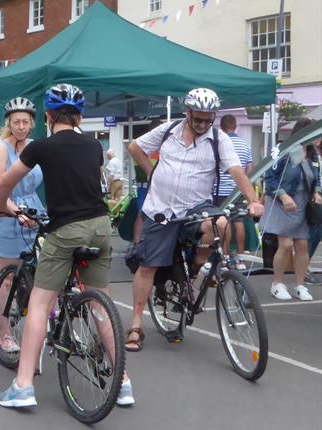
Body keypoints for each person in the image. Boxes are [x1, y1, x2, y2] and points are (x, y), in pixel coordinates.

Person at [0, 84, 133, 408]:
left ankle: (23, 385)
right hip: (100, 228)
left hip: (65, 230)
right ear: (80, 117)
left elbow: (4, 182)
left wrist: (3, 205)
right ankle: (123, 381)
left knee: (41, 303)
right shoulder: (93, 146)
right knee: (100, 304)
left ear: (47, 116)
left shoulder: (40, 147)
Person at [125, 88, 263, 352]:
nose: (202, 124)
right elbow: (135, 146)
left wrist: (253, 200)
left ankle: (195, 273)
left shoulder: (217, 137)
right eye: (197, 118)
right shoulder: (168, 130)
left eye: (207, 119)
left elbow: (236, 170)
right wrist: (151, 170)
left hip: (196, 207)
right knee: (148, 268)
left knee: (221, 224)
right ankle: (135, 325)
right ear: (186, 112)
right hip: (161, 209)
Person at [0, 96, 45, 352]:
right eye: (16, 122)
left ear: (32, 124)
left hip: (35, 209)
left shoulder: (36, 147)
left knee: (42, 272)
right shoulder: (1, 148)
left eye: (25, 122)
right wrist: (15, 212)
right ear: (9, 123)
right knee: (8, 277)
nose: (21, 126)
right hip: (9, 209)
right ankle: (5, 332)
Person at [261, 117, 321, 301]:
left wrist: (317, 192)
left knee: (302, 245)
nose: (317, 138)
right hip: (282, 202)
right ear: (303, 132)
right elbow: (269, 178)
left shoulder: (313, 154)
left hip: (303, 204)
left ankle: (300, 285)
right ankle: (277, 284)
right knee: (285, 244)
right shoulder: (283, 150)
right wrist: (283, 196)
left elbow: (316, 177)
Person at [215, 114, 254, 266]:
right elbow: (250, 169)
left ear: (222, 127)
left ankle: (225, 255)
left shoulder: (219, 143)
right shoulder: (245, 145)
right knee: (238, 222)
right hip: (238, 190)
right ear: (235, 126)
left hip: (221, 190)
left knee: (224, 222)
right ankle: (241, 257)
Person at [306, 123, 322, 286]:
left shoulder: (315, 155)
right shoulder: (308, 153)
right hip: (313, 199)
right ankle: (304, 269)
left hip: (316, 196)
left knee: (315, 235)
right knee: (313, 234)